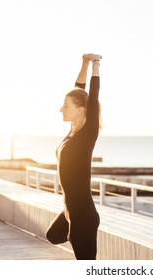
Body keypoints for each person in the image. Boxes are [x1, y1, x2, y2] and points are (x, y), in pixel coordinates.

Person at [46, 53, 102, 260]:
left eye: (66, 106)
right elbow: (80, 90)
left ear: (80, 110)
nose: (61, 109)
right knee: (53, 235)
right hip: (70, 211)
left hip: (83, 215)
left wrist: (96, 65)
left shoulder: (88, 134)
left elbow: (92, 97)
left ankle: (82, 237)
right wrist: (84, 64)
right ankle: (80, 238)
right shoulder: (72, 132)